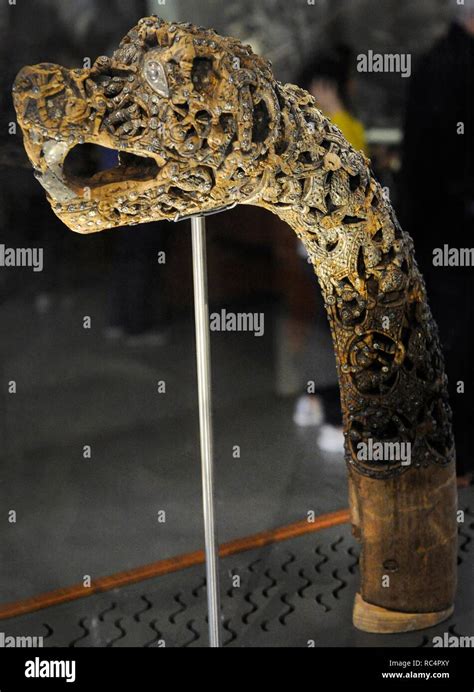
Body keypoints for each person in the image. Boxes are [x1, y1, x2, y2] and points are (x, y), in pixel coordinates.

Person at [400, 3, 474, 479]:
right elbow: (435, 164)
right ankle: (456, 458)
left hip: (449, 234)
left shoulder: (445, 63)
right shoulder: (447, 67)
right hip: (453, 239)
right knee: (456, 347)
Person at [292, 48, 367, 453]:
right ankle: (331, 410)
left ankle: (328, 408)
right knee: (337, 334)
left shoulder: (326, 130)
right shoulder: (335, 128)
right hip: (330, 252)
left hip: (325, 252)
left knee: (334, 333)